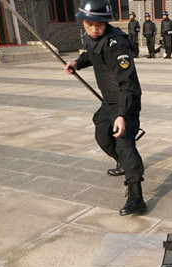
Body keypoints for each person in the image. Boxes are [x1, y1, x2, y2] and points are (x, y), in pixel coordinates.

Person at [63, 0, 146, 216]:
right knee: (102, 135)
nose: (93, 29)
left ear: (106, 22)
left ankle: (136, 197)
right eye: (88, 24)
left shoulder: (116, 44)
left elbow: (128, 84)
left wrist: (122, 115)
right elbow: (90, 55)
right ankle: (122, 162)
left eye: (98, 25)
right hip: (108, 101)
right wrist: (76, 64)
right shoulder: (91, 38)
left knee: (125, 144)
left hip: (125, 102)